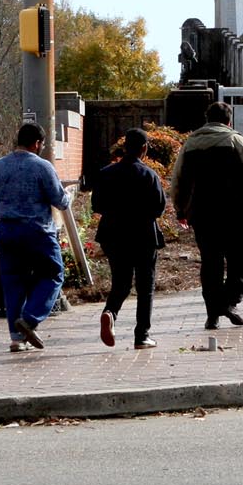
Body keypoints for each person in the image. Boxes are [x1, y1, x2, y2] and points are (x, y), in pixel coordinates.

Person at [170, 101, 243, 330]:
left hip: (202, 213)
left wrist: (180, 209)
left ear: (207, 120)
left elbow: (177, 180)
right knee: (240, 260)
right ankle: (228, 302)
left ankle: (213, 314)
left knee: (211, 263)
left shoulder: (190, 144)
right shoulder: (236, 141)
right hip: (236, 212)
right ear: (229, 121)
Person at [0, 122, 71, 352]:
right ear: (37, 143)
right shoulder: (43, 167)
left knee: (13, 283)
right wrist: (68, 195)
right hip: (37, 231)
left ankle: (16, 338)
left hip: (6, 232)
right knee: (53, 274)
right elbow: (59, 200)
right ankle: (30, 319)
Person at [91, 128, 167, 349]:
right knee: (145, 286)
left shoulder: (106, 173)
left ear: (125, 147)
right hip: (143, 235)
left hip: (113, 235)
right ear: (144, 148)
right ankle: (142, 335)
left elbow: (97, 205)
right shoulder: (149, 175)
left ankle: (110, 312)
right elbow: (159, 208)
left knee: (121, 282)